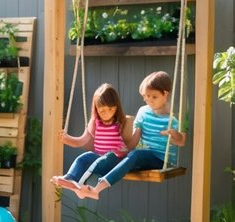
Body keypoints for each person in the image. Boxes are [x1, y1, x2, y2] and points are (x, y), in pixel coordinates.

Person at [79, 70, 186, 199]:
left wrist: (173, 134)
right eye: (146, 96)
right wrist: (123, 151)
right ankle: (81, 186)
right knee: (114, 156)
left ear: (165, 94)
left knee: (135, 154)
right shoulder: (143, 112)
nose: (149, 100)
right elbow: (135, 138)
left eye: (154, 96)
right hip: (143, 156)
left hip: (162, 160)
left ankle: (98, 188)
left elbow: (180, 142)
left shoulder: (172, 120)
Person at [51, 83, 137, 198]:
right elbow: (82, 141)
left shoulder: (120, 123)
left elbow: (129, 146)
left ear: (116, 107)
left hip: (114, 161)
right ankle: (70, 178)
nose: (106, 113)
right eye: (102, 111)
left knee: (105, 158)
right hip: (98, 158)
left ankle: (79, 186)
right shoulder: (94, 122)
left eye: (110, 109)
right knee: (83, 158)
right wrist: (68, 140)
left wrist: (124, 151)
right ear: (96, 109)